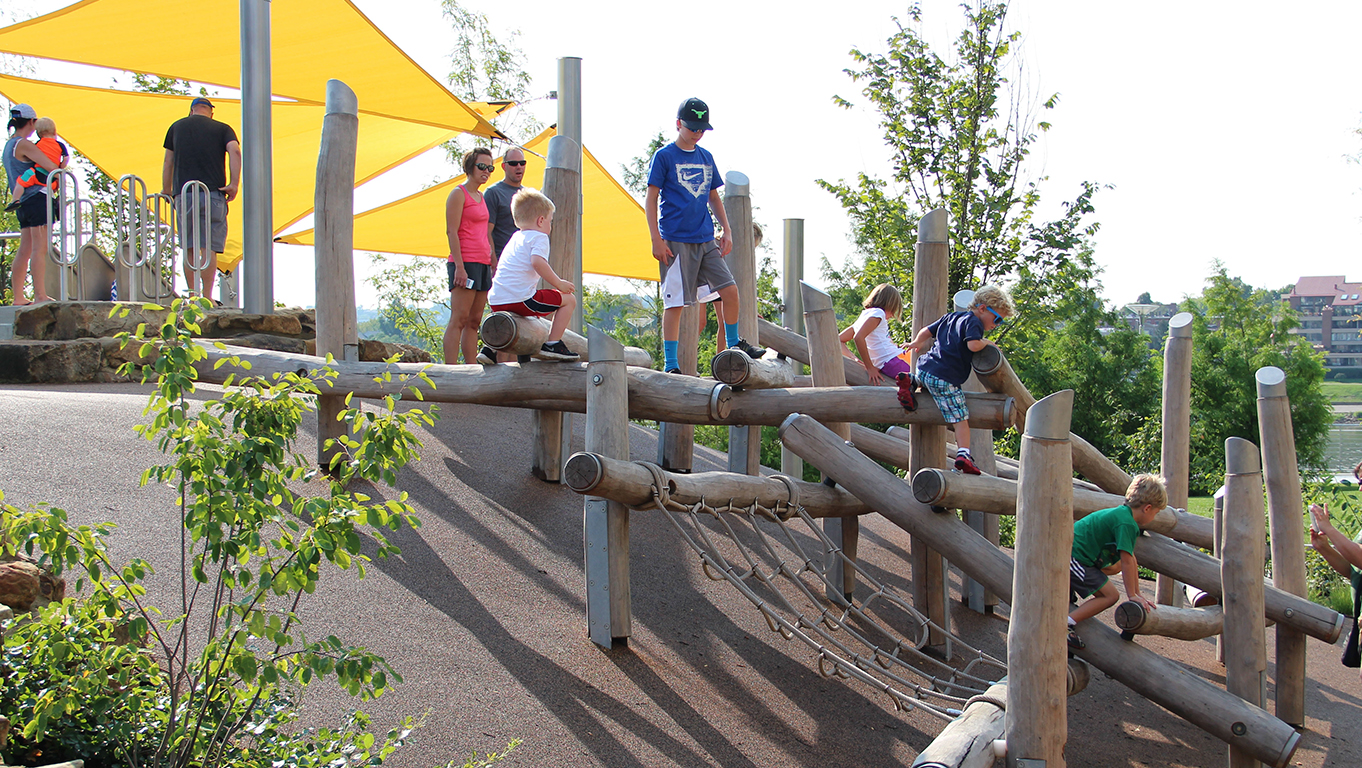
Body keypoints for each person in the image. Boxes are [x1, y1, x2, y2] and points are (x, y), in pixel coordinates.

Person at [646, 97, 765, 375]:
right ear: (678, 124)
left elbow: (713, 195)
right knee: (676, 302)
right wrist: (655, 238)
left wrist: (726, 229)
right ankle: (671, 363)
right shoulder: (664, 157)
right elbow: (651, 198)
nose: (697, 133)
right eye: (691, 127)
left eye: (701, 128)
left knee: (731, 290)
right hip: (675, 238)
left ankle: (735, 343)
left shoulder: (706, 157)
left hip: (705, 237)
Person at [902, 283, 1015, 474]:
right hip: (945, 378)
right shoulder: (974, 323)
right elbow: (972, 346)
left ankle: (912, 381)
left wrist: (916, 343)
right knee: (961, 418)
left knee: (930, 382)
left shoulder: (951, 317)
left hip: (925, 367)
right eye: (997, 319)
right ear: (982, 309)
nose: (996, 325)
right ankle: (964, 454)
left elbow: (927, 331)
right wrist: (987, 343)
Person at [1065, 474, 1167, 650]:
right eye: (1156, 513)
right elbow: (1128, 561)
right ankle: (1064, 624)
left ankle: (1069, 615)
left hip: (1081, 556)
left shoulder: (1124, 516)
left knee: (1116, 566)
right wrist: (1132, 595)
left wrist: (1138, 594)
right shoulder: (1126, 523)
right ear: (1147, 508)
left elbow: (1130, 560)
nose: (1154, 517)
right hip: (1072, 556)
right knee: (1110, 595)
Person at [162, 96, 241, 302]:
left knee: (189, 245)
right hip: (212, 193)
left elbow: (168, 160)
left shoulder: (176, 127)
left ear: (191, 111)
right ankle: (207, 296)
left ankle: (193, 296)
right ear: (211, 112)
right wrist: (233, 183)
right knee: (209, 247)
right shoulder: (223, 128)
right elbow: (235, 151)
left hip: (185, 193)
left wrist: (166, 189)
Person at [485, 188, 578, 361]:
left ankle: (489, 350)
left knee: (529, 319)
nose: (550, 226)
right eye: (550, 221)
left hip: (496, 301)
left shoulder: (515, 238)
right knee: (569, 300)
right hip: (520, 299)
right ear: (541, 220)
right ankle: (553, 344)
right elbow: (537, 262)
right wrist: (559, 284)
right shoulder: (539, 237)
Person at [5, 104, 62, 305]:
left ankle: (18, 297)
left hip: (22, 202)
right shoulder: (24, 144)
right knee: (40, 247)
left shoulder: (9, 145)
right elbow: (51, 167)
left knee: (25, 248)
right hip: (36, 198)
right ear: (31, 122)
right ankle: (40, 295)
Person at [443, 147, 496, 364]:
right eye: (482, 166)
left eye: (490, 168)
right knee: (460, 317)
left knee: (475, 320)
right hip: (465, 261)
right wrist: (460, 267)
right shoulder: (458, 193)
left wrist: (491, 257)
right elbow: (451, 231)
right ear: (470, 167)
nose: (486, 171)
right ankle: (450, 369)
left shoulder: (481, 197)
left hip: (483, 262)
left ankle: (471, 367)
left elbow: (485, 230)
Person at [478, 146, 529, 364]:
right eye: (514, 163)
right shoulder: (494, 193)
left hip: (523, 267)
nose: (519, 167)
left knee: (521, 319)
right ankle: (495, 364)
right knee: (501, 316)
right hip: (501, 263)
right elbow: (487, 231)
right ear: (503, 166)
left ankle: (517, 369)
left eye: (522, 163)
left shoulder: (528, 195)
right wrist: (493, 261)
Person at [695, 222, 764, 362]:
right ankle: (687, 355)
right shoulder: (716, 243)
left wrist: (749, 309)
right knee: (700, 321)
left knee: (724, 322)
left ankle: (721, 359)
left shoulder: (739, 255)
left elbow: (738, 284)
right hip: (705, 278)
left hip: (721, 284)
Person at [838, 283, 906, 386]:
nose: (892, 315)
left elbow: (839, 340)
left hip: (888, 361)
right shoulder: (878, 313)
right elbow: (858, 337)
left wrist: (854, 358)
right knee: (927, 373)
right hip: (892, 361)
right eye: (893, 310)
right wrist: (869, 367)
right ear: (889, 304)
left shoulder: (865, 315)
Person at [8, 116, 66, 207]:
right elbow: (64, 159)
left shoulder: (37, 144)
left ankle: (15, 199)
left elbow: (39, 160)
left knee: (21, 181)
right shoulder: (60, 145)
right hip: (48, 183)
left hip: (38, 176)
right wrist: (60, 170)